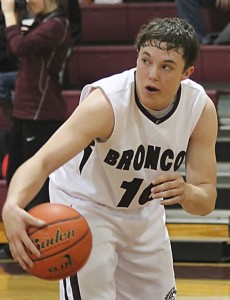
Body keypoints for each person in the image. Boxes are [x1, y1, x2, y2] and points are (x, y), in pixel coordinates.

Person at [2, 17, 217, 299]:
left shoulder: (199, 110)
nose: (152, 74)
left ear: (186, 73)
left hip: (143, 213)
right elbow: (41, 162)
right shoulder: (106, 104)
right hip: (86, 206)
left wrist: (188, 192)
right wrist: (13, 203)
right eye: (145, 60)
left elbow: (206, 198)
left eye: (166, 66)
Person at [0, 0, 71, 259]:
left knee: (35, 184)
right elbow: (11, 49)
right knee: (15, 176)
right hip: (23, 111)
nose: (28, 0)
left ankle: (40, 241)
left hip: (41, 113)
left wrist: (8, 14)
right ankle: (17, 239)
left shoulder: (58, 25)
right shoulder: (40, 22)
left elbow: (19, 47)